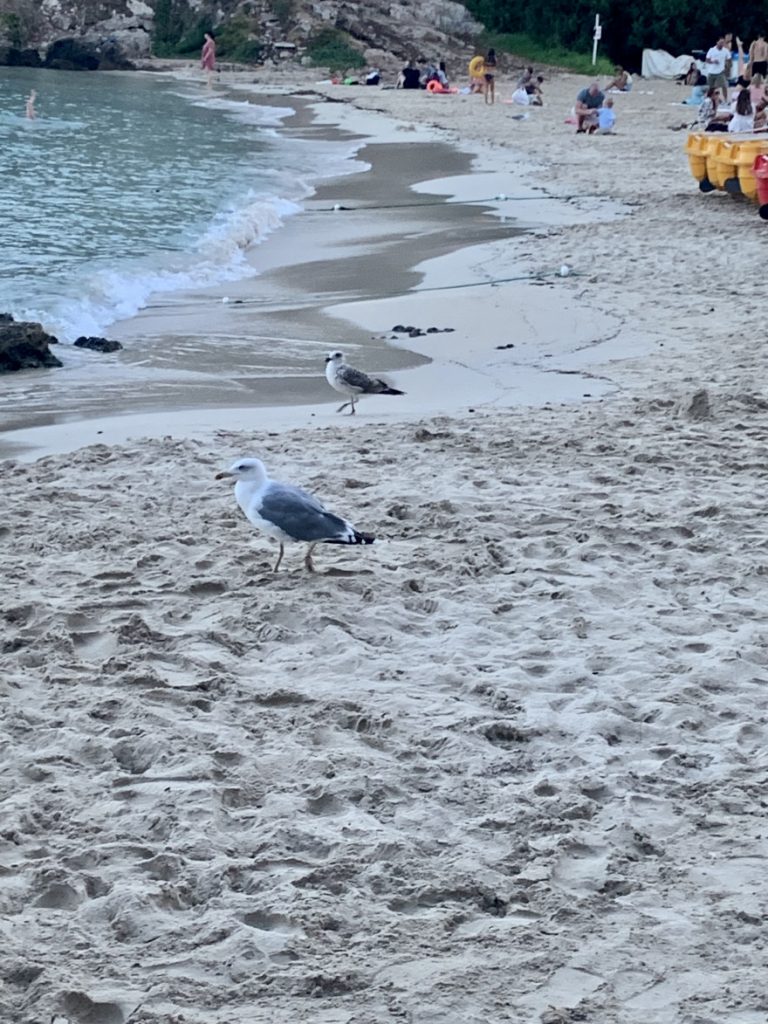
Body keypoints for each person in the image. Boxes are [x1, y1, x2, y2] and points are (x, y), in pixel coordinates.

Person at [705, 37, 729, 101]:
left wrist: (727, 67)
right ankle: (709, 98)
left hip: (720, 72)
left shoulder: (725, 51)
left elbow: (729, 59)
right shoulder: (712, 50)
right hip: (711, 71)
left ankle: (725, 99)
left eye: (723, 42)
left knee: (724, 86)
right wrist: (713, 61)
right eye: (720, 42)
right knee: (711, 87)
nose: (722, 44)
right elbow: (707, 60)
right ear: (717, 42)